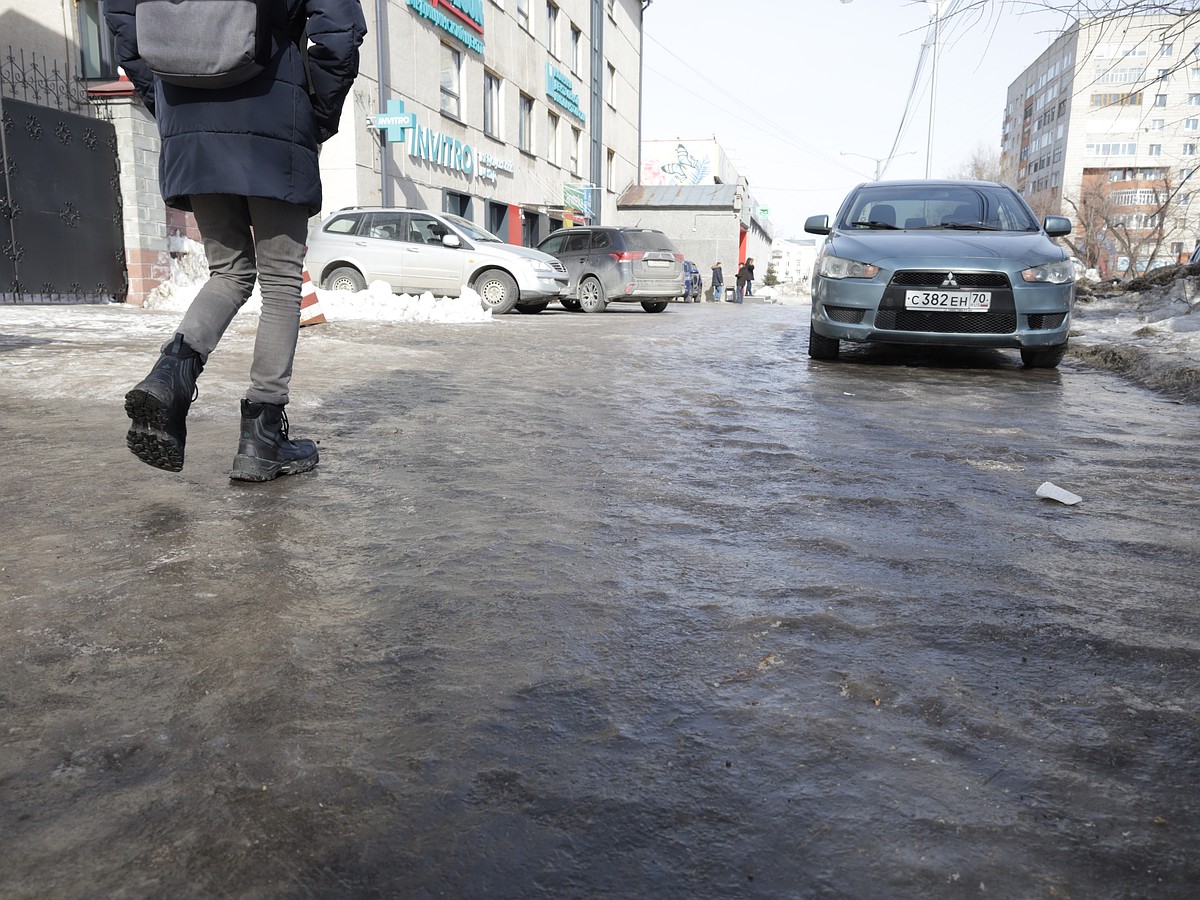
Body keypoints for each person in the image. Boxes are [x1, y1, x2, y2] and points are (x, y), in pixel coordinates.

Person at [105, 0, 367, 482]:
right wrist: (317, 116)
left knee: (229, 272)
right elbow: (337, 30)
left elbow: (123, 23)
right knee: (282, 281)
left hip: (189, 123)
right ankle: (261, 439)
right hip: (275, 110)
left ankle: (170, 376)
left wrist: (167, 101)